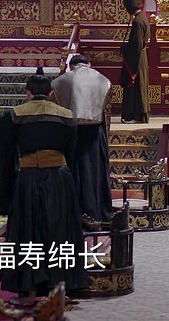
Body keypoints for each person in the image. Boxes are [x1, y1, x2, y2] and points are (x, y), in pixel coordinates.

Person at [0, 68, 89, 298]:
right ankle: (61, 283)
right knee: (59, 230)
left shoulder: (14, 116)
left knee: (28, 230)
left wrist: (4, 198)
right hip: (59, 178)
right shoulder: (67, 116)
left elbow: (4, 159)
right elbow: (71, 154)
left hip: (28, 178)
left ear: (27, 92)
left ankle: (29, 285)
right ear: (50, 94)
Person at [52, 54, 113, 225]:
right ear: (88, 64)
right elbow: (106, 114)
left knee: (74, 170)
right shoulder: (104, 80)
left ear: (71, 66)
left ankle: (73, 213)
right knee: (94, 172)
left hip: (71, 131)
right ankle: (97, 212)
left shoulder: (60, 81)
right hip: (95, 133)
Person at [120, 0, 150, 124]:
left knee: (135, 88)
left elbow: (136, 45)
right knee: (139, 87)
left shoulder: (137, 22)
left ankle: (133, 115)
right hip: (140, 57)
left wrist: (125, 48)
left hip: (136, 60)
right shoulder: (143, 18)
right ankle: (139, 115)